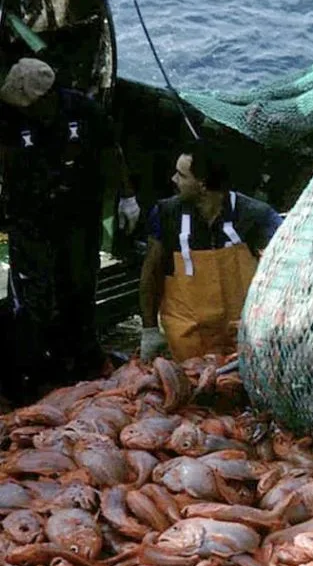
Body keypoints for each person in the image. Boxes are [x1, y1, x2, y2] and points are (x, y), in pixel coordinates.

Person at [0, 57, 139, 402]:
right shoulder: (9, 120)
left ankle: (83, 361)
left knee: (79, 286)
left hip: (78, 217)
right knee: (35, 301)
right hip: (30, 223)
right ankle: (37, 374)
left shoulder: (83, 110)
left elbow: (111, 152)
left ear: (47, 96)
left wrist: (127, 197)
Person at [139, 144, 282, 362]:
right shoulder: (165, 214)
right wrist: (149, 329)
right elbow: (150, 273)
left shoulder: (255, 216)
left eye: (181, 175)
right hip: (188, 337)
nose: (173, 180)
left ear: (202, 184)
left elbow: (283, 268)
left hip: (243, 335)